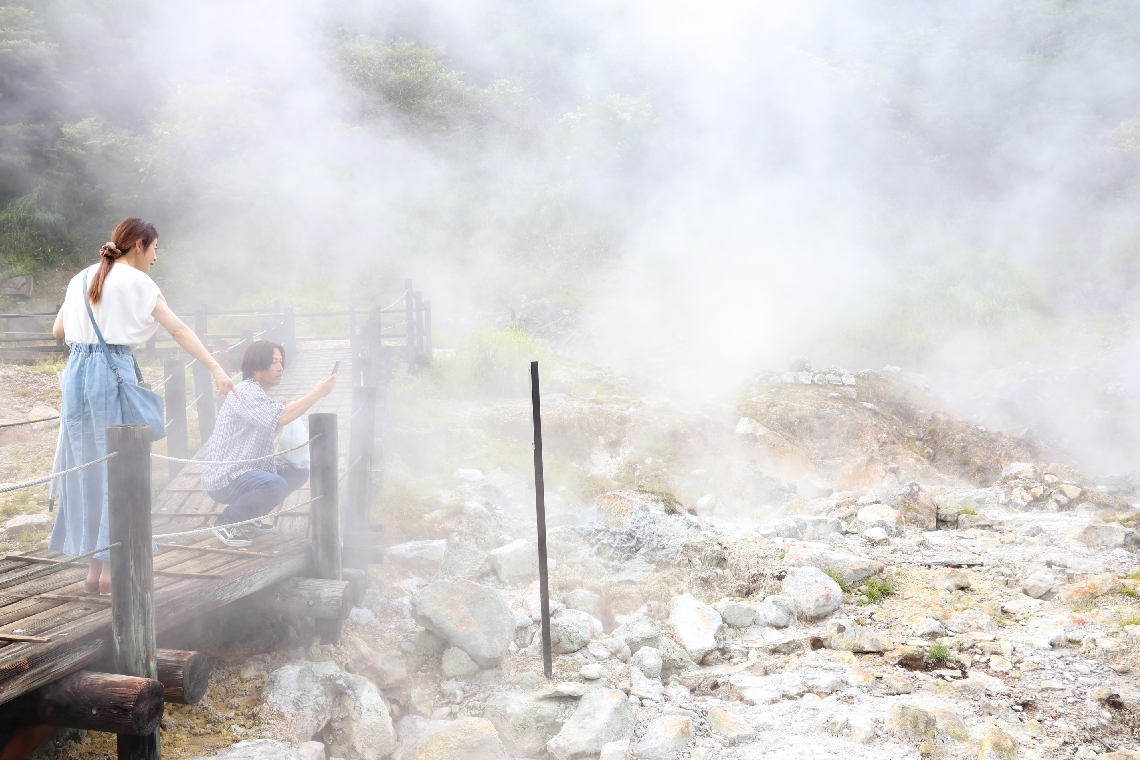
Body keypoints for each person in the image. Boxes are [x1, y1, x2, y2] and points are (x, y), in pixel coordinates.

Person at [50, 217, 238, 594]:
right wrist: (217, 367)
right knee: (120, 470)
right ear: (139, 245)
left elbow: (58, 332)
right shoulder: (138, 282)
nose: (156, 257)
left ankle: (93, 571)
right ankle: (110, 576)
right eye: (155, 248)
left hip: (76, 376)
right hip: (110, 372)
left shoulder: (81, 278)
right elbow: (179, 329)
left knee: (89, 466)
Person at [201, 340, 337, 547]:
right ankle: (226, 522)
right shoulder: (245, 392)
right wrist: (318, 392)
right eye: (274, 362)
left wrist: (286, 421)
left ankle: (249, 516)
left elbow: (278, 420)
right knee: (275, 484)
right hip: (226, 476)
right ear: (256, 366)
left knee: (298, 472)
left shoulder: (258, 395)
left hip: (246, 469)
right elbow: (282, 417)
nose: (280, 367)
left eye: (281, 361)